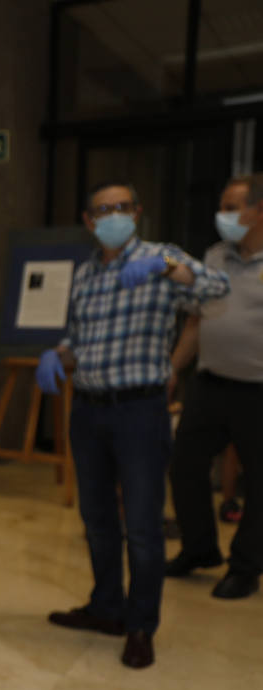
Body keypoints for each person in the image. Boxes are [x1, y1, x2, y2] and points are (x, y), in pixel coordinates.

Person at [37, 181, 229, 669]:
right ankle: (106, 607)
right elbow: (78, 339)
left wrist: (166, 267)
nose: (113, 216)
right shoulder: (85, 273)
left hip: (139, 411)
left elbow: (217, 288)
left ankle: (141, 625)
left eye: (121, 207)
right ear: (89, 221)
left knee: (142, 526)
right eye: (103, 210)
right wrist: (58, 355)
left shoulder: (160, 258)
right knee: (98, 519)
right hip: (89, 410)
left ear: (137, 212)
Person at [166, 173, 263, 599]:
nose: (222, 215)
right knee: (184, 465)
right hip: (209, 383)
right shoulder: (214, 256)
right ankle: (199, 548)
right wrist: (172, 370)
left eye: (231, 207)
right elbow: (195, 321)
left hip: (258, 390)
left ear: (260, 211)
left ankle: (246, 567)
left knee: (258, 483)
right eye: (222, 206)